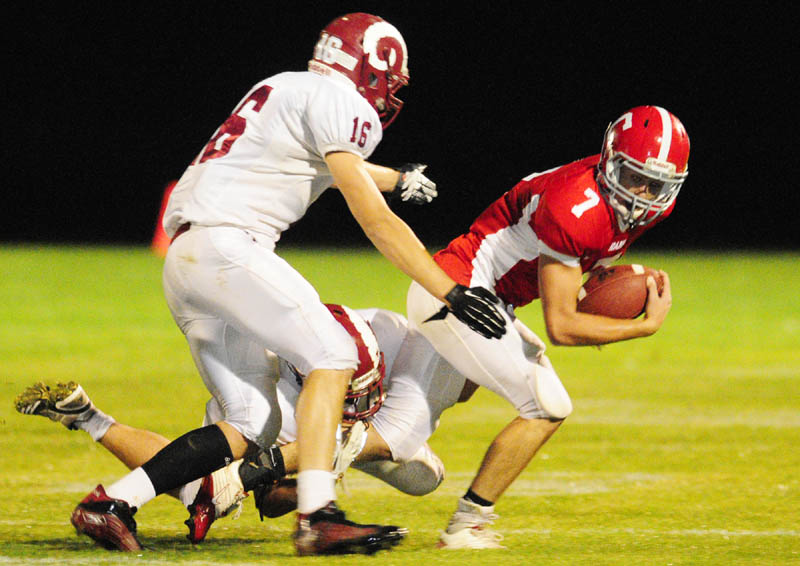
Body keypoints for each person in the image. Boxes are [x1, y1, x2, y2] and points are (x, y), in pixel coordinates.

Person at [68, 13, 507, 554]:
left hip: (186, 258)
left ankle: (110, 503)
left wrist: (397, 177)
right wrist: (449, 290)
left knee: (254, 420)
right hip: (231, 246)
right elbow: (372, 217)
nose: (389, 95)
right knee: (333, 352)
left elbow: (319, 162)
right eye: (389, 80)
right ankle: (318, 516)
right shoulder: (343, 105)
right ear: (370, 72)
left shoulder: (281, 85)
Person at [17, 303, 545, 542]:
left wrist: (496, 352)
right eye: (343, 390)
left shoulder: (390, 333)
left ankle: (88, 418)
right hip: (297, 430)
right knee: (204, 486)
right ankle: (90, 419)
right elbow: (271, 482)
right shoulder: (277, 390)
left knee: (424, 477)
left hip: (370, 434)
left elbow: (460, 370)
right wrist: (261, 480)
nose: (351, 397)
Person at [405, 105, 690, 548]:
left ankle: (293, 468)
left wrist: (607, 301)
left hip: (487, 299)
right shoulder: (575, 204)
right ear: (610, 159)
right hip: (459, 293)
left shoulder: (637, 208)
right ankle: (467, 525)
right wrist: (642, 326)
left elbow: (580, 284)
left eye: (657, 185)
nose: (643, 193)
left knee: (404, 432)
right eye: (634, 176)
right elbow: (561, 324)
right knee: (547, 406)